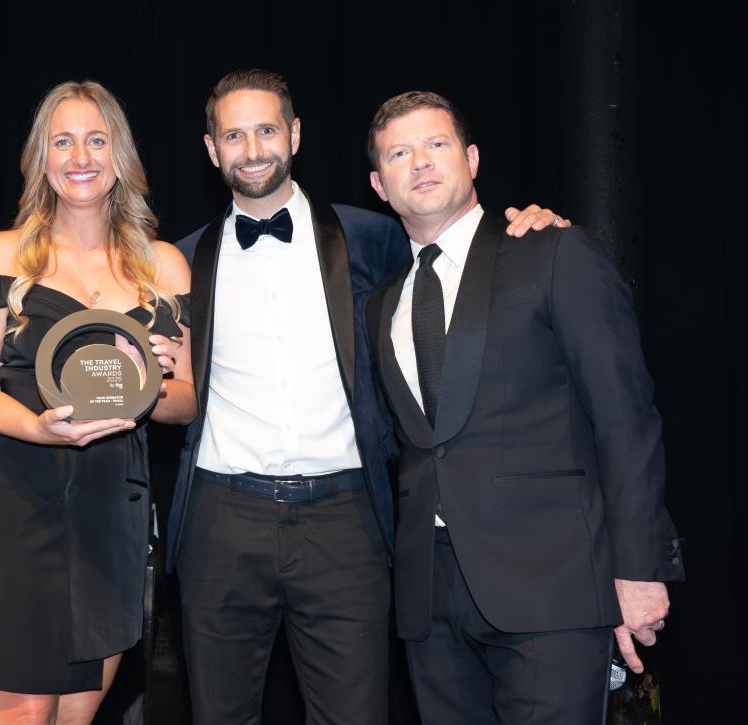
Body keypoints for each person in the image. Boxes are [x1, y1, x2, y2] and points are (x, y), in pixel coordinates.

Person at [168, 68, 565, 724]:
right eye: (234, 135)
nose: (253, 148)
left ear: (295, 134)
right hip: (221, 520)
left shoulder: (372, 236)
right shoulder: (181, 260)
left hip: (345, 520)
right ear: (212, 149)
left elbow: (461, 252)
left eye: (267, 129)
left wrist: (529, 223)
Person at [363, 91, 684, 724]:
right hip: (431, 603)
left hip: (552, 586)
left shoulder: (554, 251)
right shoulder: (383, 303)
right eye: (399, 154)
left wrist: (639, 568)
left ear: (472, 159)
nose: (420, 162)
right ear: (379, 184)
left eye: (437, 144)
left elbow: (625, 418)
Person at [0, 80, 194, 725]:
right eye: (62, 141)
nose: (80, 156)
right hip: (15, 497)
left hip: (112, 508)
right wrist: (39, 428)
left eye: (96, 140)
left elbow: (186, 403)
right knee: (24, 714)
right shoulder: (2, 253)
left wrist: (151, 386)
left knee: (77, 716)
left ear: (120, 156)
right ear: (42, 157)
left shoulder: (164, 266)